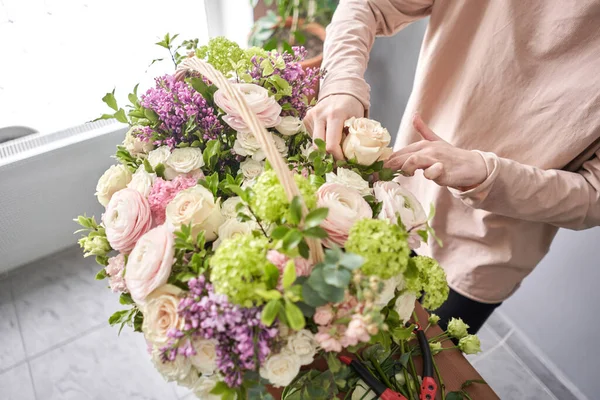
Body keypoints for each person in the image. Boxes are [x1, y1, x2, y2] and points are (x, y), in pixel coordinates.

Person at [304, 0, 600, 333]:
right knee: (322, 331)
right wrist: (342, 83)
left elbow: (594, 195)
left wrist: (488, 175)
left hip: (484, 257)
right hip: (393, 197)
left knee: (408, 371)